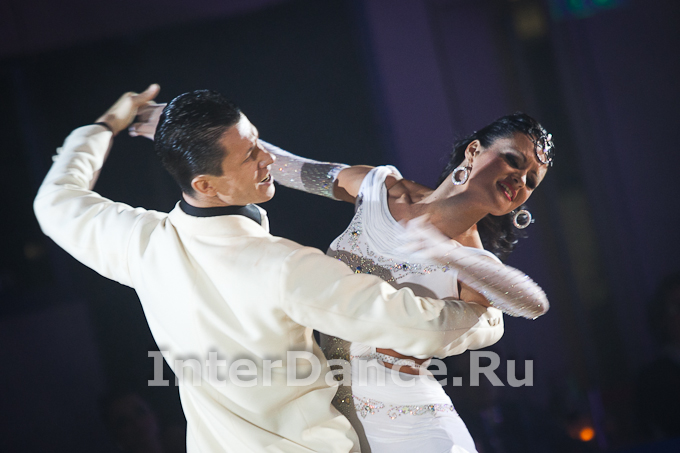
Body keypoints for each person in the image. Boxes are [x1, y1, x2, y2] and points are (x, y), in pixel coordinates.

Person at [34, 85, 519, 453]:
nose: (268, 158)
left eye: (258, 141)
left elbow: (55, 201)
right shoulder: (282, 266)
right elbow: (417, 325)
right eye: (250, 155)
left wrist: (104, 126)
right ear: (206, 184)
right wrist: (487, 318)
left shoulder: (139, 243)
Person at [260, 112, 553, 453]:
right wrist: (229, 135)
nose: (519, 180)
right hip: (332, 418)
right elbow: (284, 166)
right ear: (473, 151)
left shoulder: (472, 262)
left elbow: (534, 304)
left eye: (531, 181)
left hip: (412, 428)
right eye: (513, 161)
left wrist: (446, 253)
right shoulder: (379, 189)